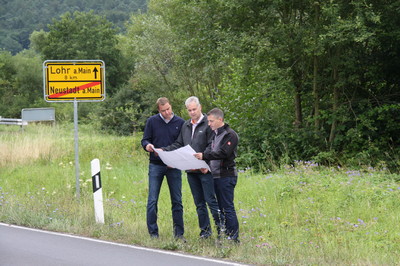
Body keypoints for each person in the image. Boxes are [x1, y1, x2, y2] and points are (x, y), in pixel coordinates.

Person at [161, 96, 224, 239]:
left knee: (211, 201)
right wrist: (164, 151)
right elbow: (179, 144)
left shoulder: (208, 124)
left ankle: (221, 232)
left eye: (194, 109)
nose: (192, 112)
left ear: (200, 107)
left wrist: (206, 162)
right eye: (189, 110)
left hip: (205, 170)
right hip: (191, 170)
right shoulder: (186, 125)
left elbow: (212, 145)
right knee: (199, 203)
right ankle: (205, 232)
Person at [141, 97, 185, 240]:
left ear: (171, 106)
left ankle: (179, 234)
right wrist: (147, 146)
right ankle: (153, 234)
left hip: (174, 166)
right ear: (159, 110)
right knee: (152, 200)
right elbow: (145, 139)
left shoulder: (180, 122)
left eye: (168, 109)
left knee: (177, 200)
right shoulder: (152, 121)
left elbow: (182, 144)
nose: (167, 113)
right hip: (156, 165)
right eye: (163, 111)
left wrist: (176, 159)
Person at [194, 108, 240, 243]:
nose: (209, 124)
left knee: (228, 207)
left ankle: (233, 237)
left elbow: (223, 153)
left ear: (220, 119)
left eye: (211, 121)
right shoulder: (214, 135)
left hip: (226, 175)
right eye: (208, 121)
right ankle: (225, 235)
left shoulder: (230, 135)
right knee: (220, 208)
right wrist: (203, 162)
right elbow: (209, 151)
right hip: (215, 175)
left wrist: (205, 155)